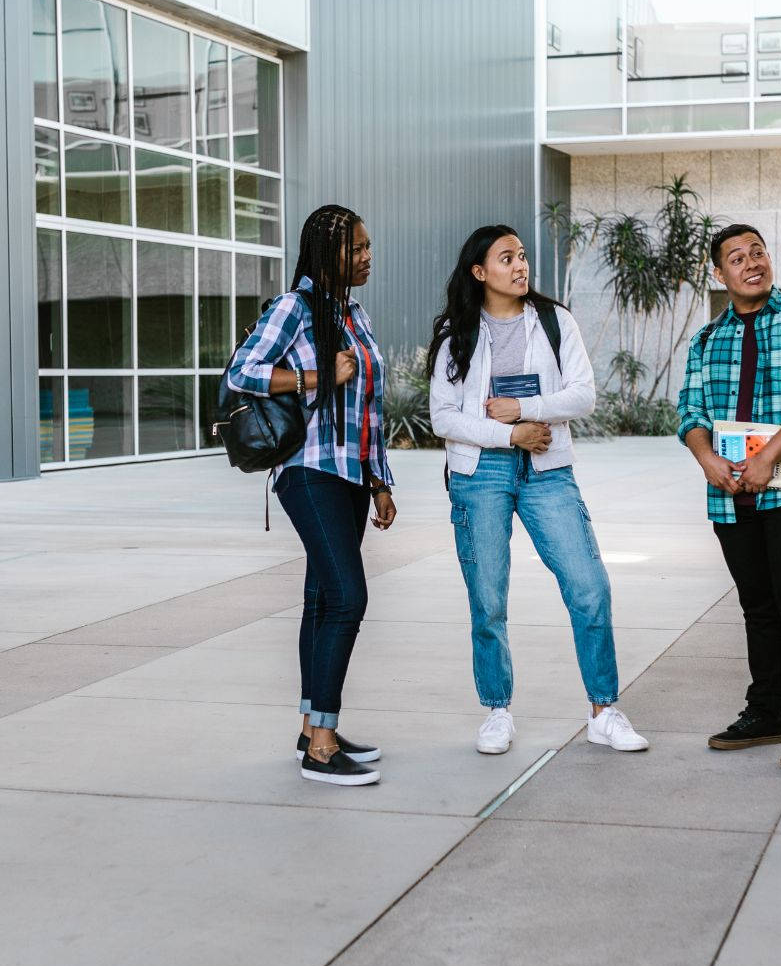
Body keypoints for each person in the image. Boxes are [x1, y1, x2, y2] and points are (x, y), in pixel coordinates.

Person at [426, 224, 649, 756]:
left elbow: (583, 395)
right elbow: (442, 417)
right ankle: (497, 710)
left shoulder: (554, 321)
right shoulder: (456, 332)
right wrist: (510, 434)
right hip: (481, 474)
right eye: (507, 258)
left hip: (547, 470)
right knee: (488, 598)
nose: (520, 266)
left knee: (588, 586)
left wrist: (526, 410)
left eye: (522, 256)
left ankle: (603, 711)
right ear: (480, 272)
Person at [226, 204, 396, 787]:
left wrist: (380, 481)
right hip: (308, 470)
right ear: (328, 254)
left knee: (323, 601)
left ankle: (312, 727)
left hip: (349, 475)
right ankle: (321, 749)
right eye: (357, 249)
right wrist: (318, 376)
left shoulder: (353, 314)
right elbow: (241, 372)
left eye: (368, 246)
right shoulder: (292, 309)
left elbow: (369, 408)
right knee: (348, 598)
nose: (367, 257)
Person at [676, 223, 781, 771]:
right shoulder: (705, 340)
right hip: (730, 495)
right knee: (757, 608)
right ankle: (767, 711)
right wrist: (707, 459)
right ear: (717, 273)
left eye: (759, 252)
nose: (752, 263)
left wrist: (769, 455)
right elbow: (690, 411)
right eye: (736, 257)